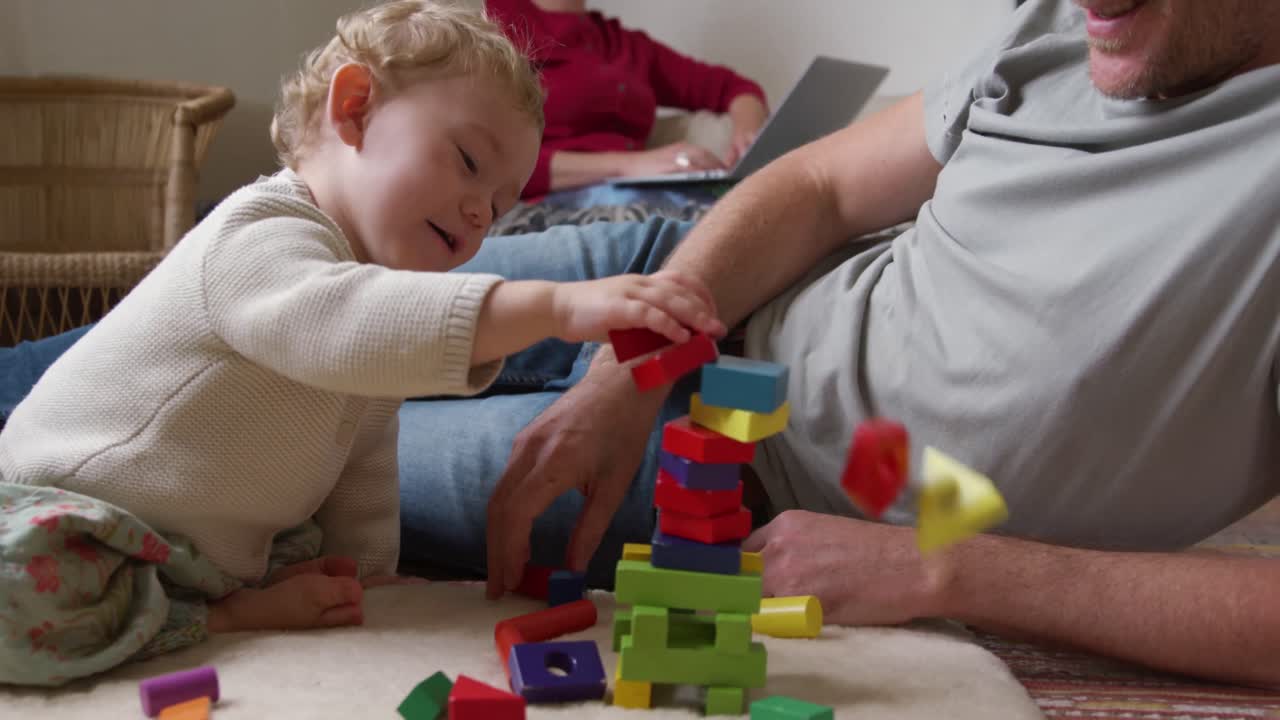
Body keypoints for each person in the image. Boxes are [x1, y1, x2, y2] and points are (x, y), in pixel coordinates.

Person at [3, 0, 1278, 690]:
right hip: (678, 279)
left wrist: (946, 567)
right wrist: (613, 350)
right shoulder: (1055, 28)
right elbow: (819, 184)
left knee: (240, 476)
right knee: (140, 360)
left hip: (763, 481)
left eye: (494, 191)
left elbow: (359, 425)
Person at [0, 0, 721, 687]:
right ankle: (218, 617)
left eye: (501, 205)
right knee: (21, 597)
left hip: (191, 551)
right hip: (65, 516)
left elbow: (364, 466)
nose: (480, 212)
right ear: (354, 109)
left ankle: (211, 605)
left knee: (302, 544)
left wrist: (369, 576)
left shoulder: (373, 295)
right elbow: (347, 321)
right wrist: (555, 306)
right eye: (469, 163)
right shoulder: (258, 234)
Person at [484, 0, 769, 206]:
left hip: (635, 194)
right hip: (553, 206)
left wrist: (748, 138)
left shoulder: (622, 43)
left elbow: (736, 88)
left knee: (746, 206)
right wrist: (628, 165)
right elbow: (493, 162)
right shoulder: (494, 25)